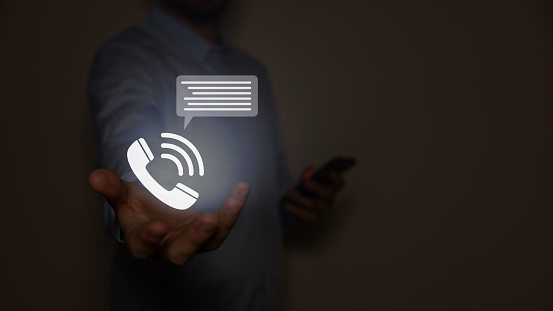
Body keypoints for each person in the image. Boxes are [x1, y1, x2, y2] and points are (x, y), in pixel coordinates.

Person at [87, 0, 344, 310]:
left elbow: (262, 186)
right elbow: (126, 139)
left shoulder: (252, 72)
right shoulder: (128, 58)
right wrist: (137, 199)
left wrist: (294, 201)